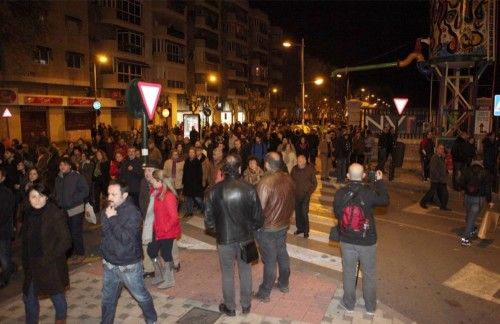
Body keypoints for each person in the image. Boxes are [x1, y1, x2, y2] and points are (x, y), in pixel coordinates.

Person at [204, 154, 264, 316]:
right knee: (245, 271)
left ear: (223, 170)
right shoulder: (249, 189)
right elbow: (259, 219)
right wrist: (249, 229)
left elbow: (208, 223)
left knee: (227, 273)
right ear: (239, 168)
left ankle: (230, 307)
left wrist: (221, 231)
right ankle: (246, 305)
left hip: (225, 239)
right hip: (246, 238)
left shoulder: (214, 191)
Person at [333, 163, 389, 315]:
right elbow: (385, 200)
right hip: (367, 240)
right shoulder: (368, 192)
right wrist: (379, 181)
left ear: (348, 176)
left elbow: (337, 213)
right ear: (364, 176)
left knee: (349, 273)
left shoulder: (340, 193)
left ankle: (349, 304)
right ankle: (370, 307)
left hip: (347, 240)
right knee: (369, 274)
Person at [101, 180, 157, 324]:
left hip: (128, 265)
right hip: (109, 264)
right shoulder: (108, 208)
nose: (110, 197)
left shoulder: (133, 213)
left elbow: (126, 238)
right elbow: (106, 233)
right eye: (109, 193)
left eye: (114, 194)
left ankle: (152, 320)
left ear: (124, 195)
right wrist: (106, 254)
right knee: (108, 299)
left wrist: (112, 218)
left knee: (141, 296)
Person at [22, 183, 71, 324]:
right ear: (28, 199)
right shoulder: (28, 214)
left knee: (58, 299)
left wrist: (49, 257)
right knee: (29, 299)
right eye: (33, 196)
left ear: (47, 197)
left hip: (51, 264)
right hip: (32, 265)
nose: (37, 200)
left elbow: (66, 241)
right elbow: (25, 243)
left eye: (41, 196)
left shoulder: (55, 213)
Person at [254, 152, 295, 302]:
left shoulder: (265, 183)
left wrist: (254, 227)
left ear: (266, 164)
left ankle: (265, 292)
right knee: (282, 253)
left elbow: (258, 209)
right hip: (283, 224)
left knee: (270, 260)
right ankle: (284, 283)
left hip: (268, 228)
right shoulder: (288, 178)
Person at [146, 170, 181, 288]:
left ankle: (169, 279)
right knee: (151, 251)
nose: (151, 182)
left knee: (166, 255)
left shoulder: (169, 195)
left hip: (167, 231)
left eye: (153, 181)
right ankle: (160, 274)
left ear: (160, 181)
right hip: (157, 229)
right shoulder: (156, 193)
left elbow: (174, 217)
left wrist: (165, 228)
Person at [54, 157, 89, 264]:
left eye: (64, 164)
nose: (62, 167)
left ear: (69, 165)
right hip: (63, 210)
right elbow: (56, 193)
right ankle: (72, 253)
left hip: (76, 209)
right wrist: (58, 201)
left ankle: (80, 253)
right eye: (60, 165)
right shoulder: (58, 178)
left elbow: (85, 190)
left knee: (75, 233)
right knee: (67, 233)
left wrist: (73, 200)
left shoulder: (76, 176)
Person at [458, 156, 493, 246]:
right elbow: (488, 188)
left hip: (467, 197)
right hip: (478, 199)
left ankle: (472, 229)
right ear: (481, 162)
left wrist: (465, 189)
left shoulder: (466, 170)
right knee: (472, 217)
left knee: (469, 215)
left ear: (473, 161)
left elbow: (460, 183)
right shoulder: (485, 173)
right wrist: (489, 201)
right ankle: (465, 238)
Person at [139, 160, 160, 278]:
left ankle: (174, 261)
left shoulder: (161, 182)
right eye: (145, 170)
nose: (146, 173)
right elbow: (141, 199)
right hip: (147, 218)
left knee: (168, 242)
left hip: (159, 218)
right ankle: (148, 268)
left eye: (149, 170)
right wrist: (144, 214)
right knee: (145, 242)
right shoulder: (143, 182)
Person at [291, 154, 317, 238]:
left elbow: (314, 183)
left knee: (304, 213)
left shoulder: (310, 169)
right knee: (298, 213)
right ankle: (300, 229)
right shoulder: (294, 169)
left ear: (305, 161)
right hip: (296, 195)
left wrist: (309, 192)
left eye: (300, 161)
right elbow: (290, 180)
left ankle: (306, 231)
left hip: (306, 195)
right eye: (298, 161)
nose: (299, 163)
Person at [420, 144, 451, 211]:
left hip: (442, 179)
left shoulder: (441, 158)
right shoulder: (434, 157)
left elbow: (443, 167)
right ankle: (423, 202)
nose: (442, 150)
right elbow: (433, 169)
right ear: (437, 149)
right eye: (440, 148)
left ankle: (443, 206)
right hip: (436, 179)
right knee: (431, 192)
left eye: (442, 149)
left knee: (445, 193)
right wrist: (439, 177)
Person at [0, 167, 16, 288]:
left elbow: (5, 214)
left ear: (3, 178)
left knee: (4, 255)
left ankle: (6, 277)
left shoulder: (6, 193)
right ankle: (10, 268)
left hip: (3, 231)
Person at [182, 147, 204, 217]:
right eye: (190, 152)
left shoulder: (197, 162)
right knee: (188, 198)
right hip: (187, 183)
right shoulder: (187, 161)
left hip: (195, 184)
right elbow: (184, 172)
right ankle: (189, 212)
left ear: (195, 154)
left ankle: (204, 207)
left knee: (198, 198)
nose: (191, 154)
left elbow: (200, 174)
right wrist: (183, 181)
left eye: (192, 152)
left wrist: (198, 183)